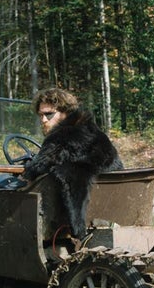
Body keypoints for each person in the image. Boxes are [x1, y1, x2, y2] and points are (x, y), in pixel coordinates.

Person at [21, 87, 123, 238]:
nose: (43, 120)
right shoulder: (96, 134)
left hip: (69, 224)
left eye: (49, 114)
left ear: (65, 113)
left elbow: (35, 168)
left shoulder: (60, 138)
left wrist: (26, 169)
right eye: (40, 115)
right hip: (111, 210)